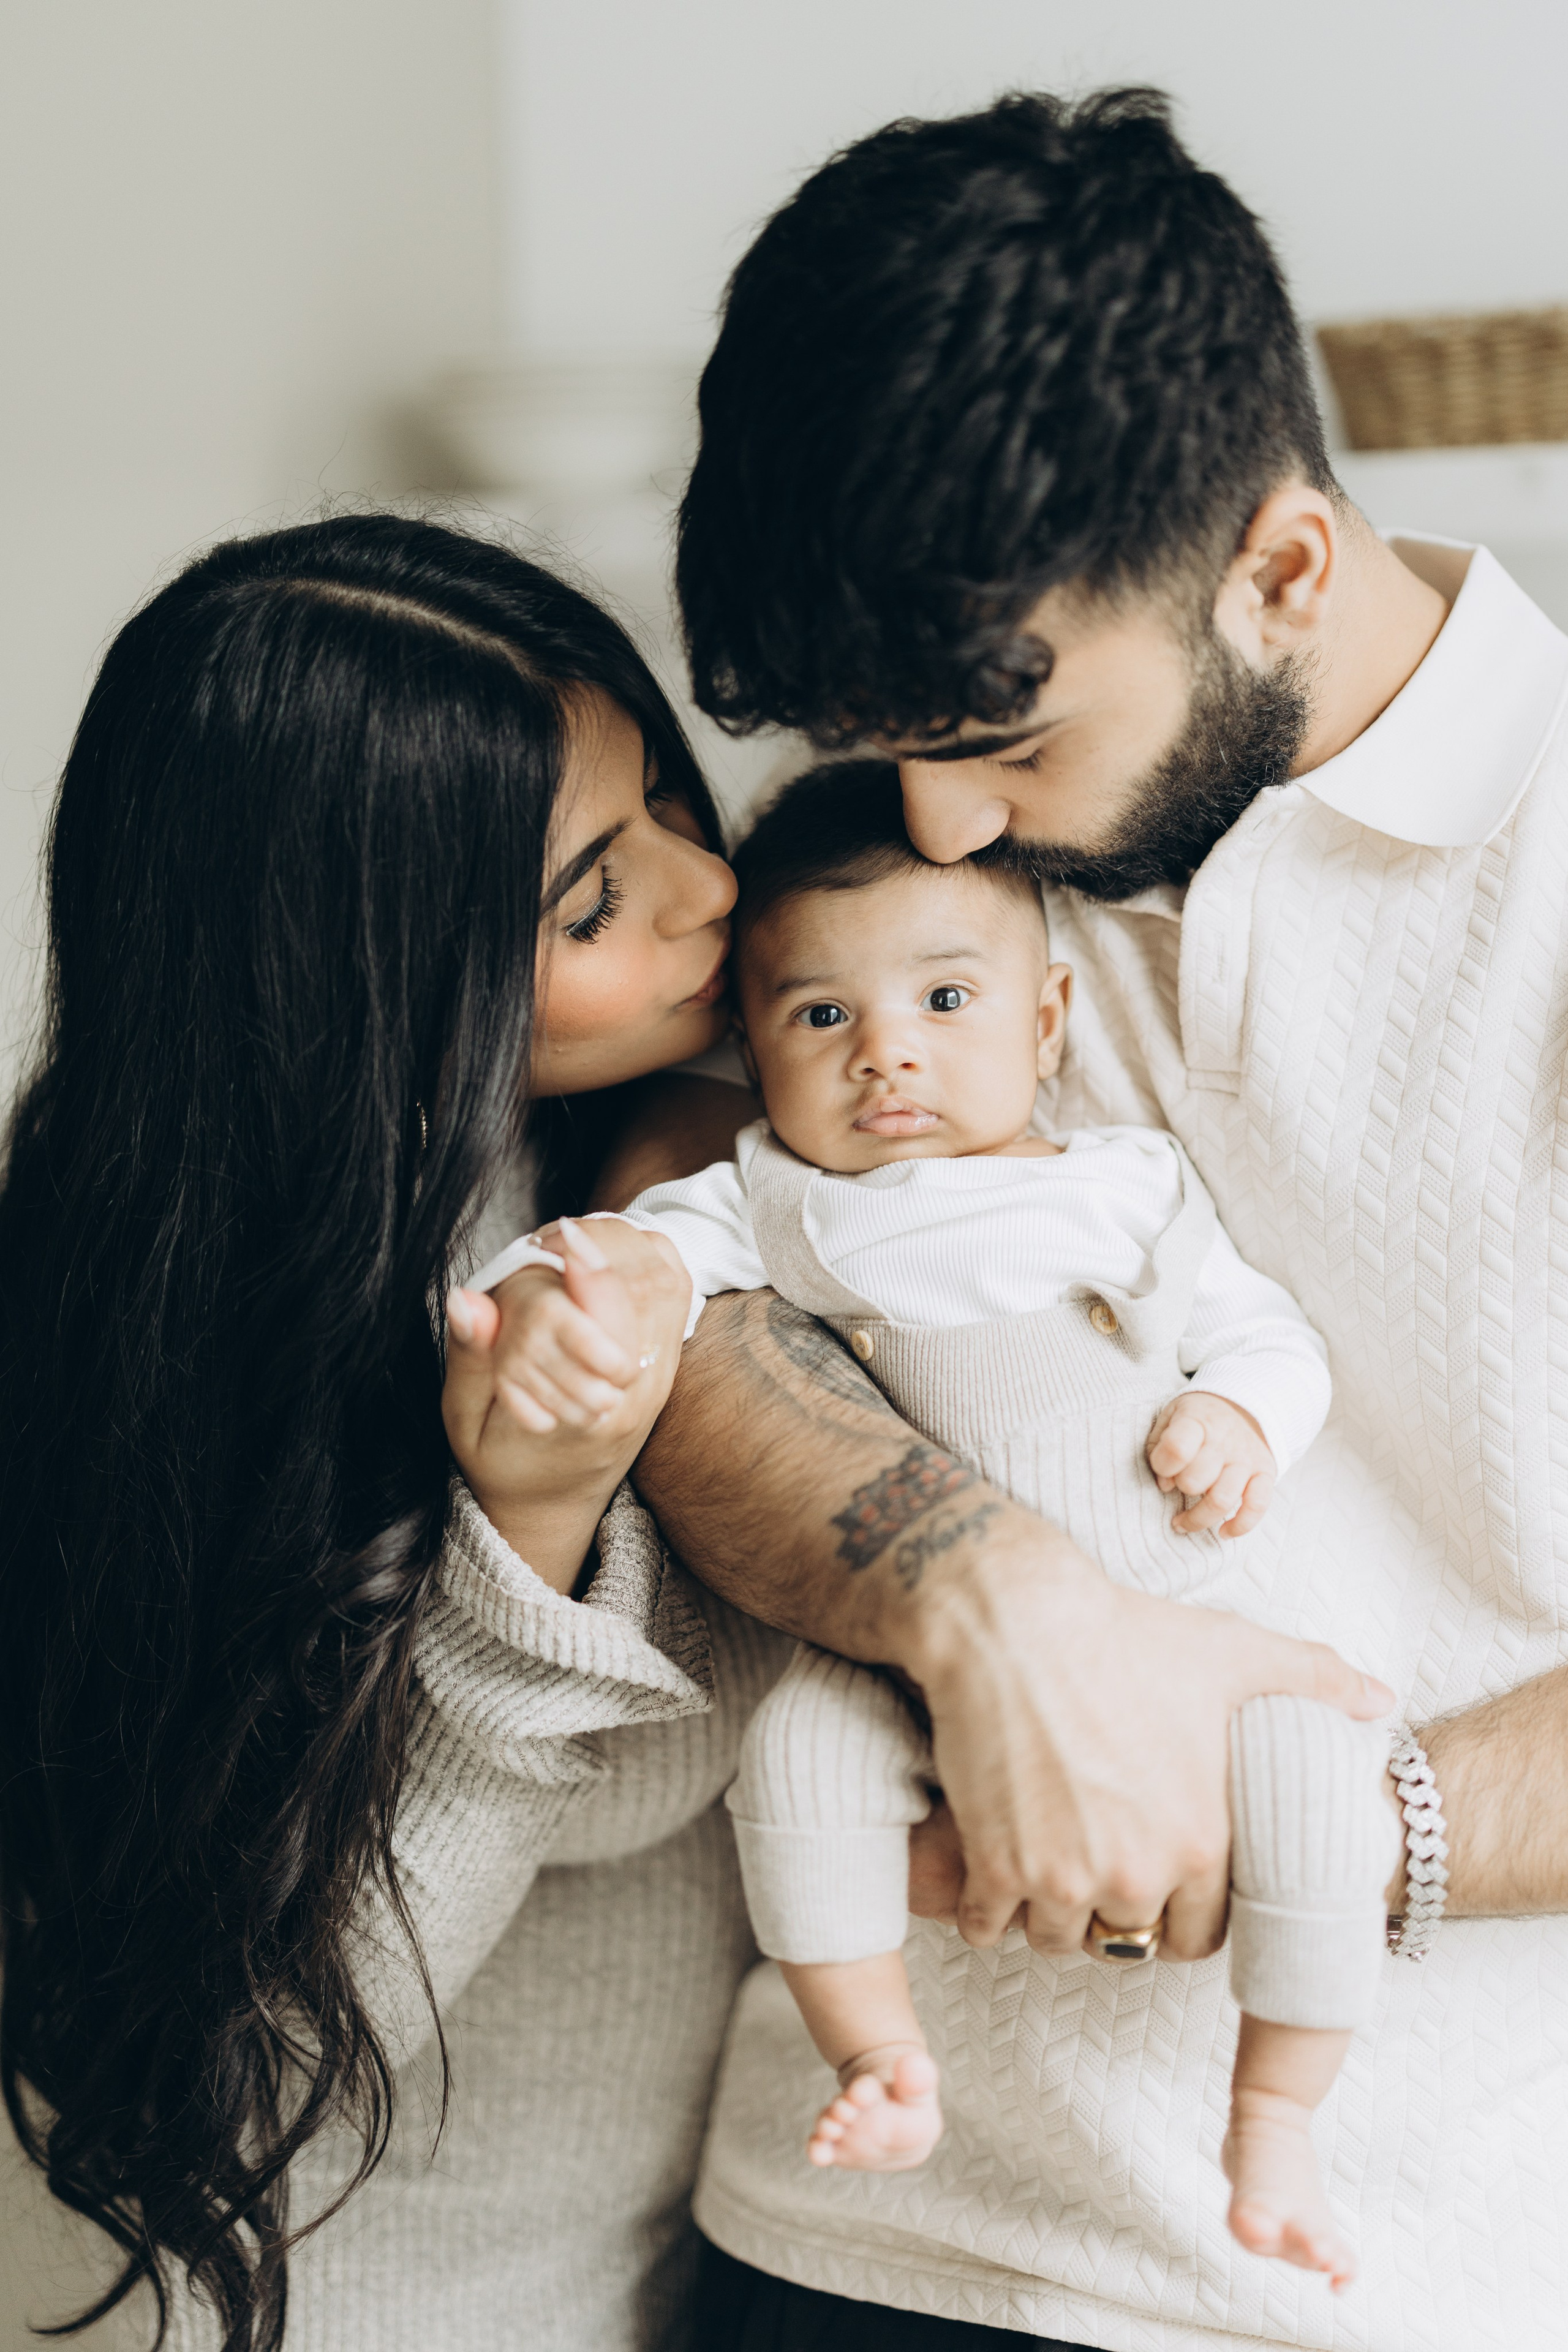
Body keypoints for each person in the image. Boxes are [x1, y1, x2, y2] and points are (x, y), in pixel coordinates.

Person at [580, 82, 1568, 2351]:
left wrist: (1345, 1828)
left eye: (1008, 745)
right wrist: (998, 1609)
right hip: (832, 2240)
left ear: (1282, 568)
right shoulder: (945, 832)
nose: (937, 821)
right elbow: (661, 1199)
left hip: (1372, 2281)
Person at [0, 513, 789, 2352]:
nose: (702, 892)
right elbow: (258, 2064)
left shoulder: (627, 1142)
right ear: (360, 979)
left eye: (672, 796)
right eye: (592, 904)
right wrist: (525, 1539)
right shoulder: (214, 1343)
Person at [606, 760, 1394, 2291]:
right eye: (818, 1017)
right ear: (752, 1051)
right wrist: (570, 1297)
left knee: (1324, 1780)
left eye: (944, 1003)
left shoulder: (1125, 1188)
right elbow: (638, 1263)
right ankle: (877, 2055)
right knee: (792, 1759)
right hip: (898, 1648)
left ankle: (1276, 2113)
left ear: (1045, 1025)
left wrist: (1238, 1416)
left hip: (1185, 1629)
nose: (884, 1055)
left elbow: (1268, 1336)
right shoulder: (777, 1200)